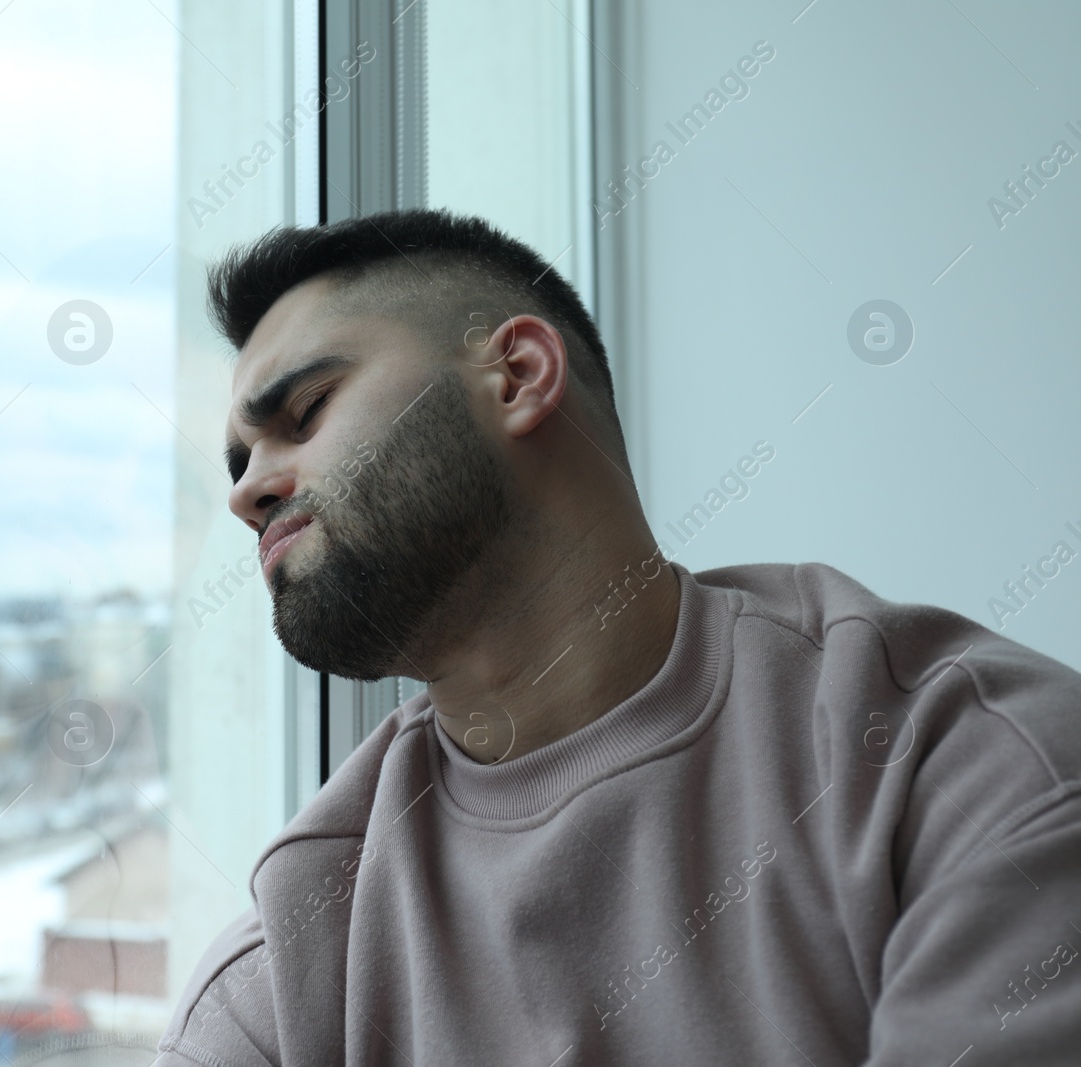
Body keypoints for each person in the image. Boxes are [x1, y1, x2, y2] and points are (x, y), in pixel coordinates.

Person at [151, 208, 1081, 1066]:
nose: (246, 491)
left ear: (516, 375)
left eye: (304, 413)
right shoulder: (295, 957)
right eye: (238, 462)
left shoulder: (972, 765)